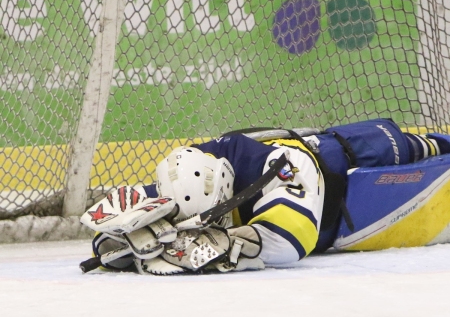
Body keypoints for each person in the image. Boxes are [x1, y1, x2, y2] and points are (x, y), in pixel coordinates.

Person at [82, 118, 450, 274]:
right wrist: (110, 245)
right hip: (342, 185)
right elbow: (119, 217)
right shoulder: (184, 180)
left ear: (226, 184)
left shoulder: (276, 165)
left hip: (350, 157)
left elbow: (293, 239)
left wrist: (235, 244)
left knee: (420, 147)